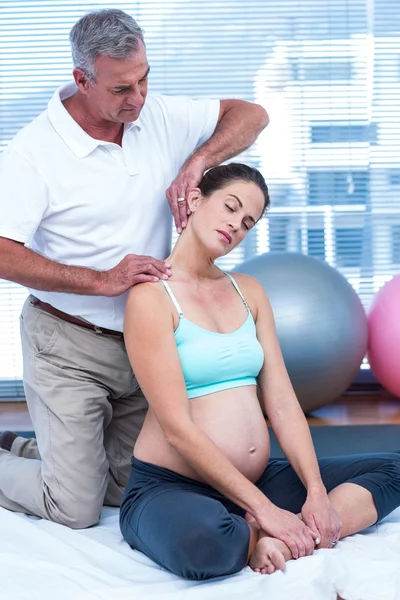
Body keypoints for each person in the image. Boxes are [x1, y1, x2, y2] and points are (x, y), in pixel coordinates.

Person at [0, 9, 269, 528]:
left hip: (143, 344)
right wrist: (101, 281)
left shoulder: (156, 116)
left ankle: (40, 453)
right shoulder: (32, 154)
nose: (139, 97)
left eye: (145, 78)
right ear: (82, 79)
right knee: (74, 508)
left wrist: (200, 159)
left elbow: (252, 115)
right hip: (68, 343)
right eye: (123, 88)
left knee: (134, 487)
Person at [120, 162, 400, 580]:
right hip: (172, 486)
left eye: (247, 221)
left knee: (392, 468)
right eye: (230, 207)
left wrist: (316, 492)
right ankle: (254, 530)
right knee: (206, 547)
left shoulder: (248, 291)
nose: (236, 225)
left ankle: (277, 540)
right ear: (195, 200)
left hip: (258, 480)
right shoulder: (151, 298)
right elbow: (177, 427)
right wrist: (266, 511)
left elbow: (283, 403)